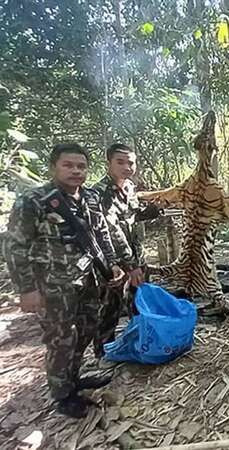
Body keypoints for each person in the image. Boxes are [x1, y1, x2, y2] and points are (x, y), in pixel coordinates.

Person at [3, 143, 125, 418]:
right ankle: (63, 395)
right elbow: (15, 247)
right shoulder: (34, 201)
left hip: (89, 280)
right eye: (68, 165)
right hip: (52, 286)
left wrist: (112, 264)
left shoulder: (91, 198)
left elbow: (101, 234)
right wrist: (27, 289)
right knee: (61, 340)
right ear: (53, 167)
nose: (75, 171)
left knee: (85, 330)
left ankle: (75, 378)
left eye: (81, 166)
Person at [92, 143, 161, 358]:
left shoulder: (130, 187)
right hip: (112, 262)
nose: (126, 167)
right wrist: (130, 267)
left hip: (135, 254)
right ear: (109, 163)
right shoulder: (99, 193)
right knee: (110, 306)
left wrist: (151, 211)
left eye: (130, 162)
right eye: (120, 162)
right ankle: (103, 353)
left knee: (138, 300)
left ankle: (142, 341)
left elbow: (131, 216)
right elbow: (112, 231)